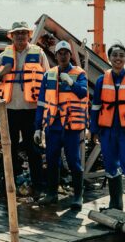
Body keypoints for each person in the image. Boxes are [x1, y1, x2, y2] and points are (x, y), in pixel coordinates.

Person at [0, 21, 50, 195]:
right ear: (12, 36)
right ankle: (9, 184)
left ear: (29, 35)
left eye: (24, 33)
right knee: (10, 147)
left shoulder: (39, 54)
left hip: (31, 110)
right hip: (9, 110)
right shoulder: (3, 56)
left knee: (33, 149)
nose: (21, 36)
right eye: (17, 34)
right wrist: (2, 73)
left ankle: (38, 185)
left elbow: (48, 81)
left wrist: (45, 110)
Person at [89, 41, 125, 217]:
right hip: (107, 131)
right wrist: (93, 130)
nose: (118, 58)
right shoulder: (101, 80)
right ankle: (115, 205)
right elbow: (95, 107)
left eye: (121, 55)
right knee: (110, 166)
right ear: (109, 57)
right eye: (114, 55)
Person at [35, 40, 88, 209]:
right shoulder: (48, 75)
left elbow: (83, 92)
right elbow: (42, 103)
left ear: (70, 55)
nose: (63, 55)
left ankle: (78, 196)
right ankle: (52, 194)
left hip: (71, 126)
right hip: (53, 125)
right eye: (60, 53)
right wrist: (38, 128)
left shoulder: (79, 73)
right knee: (52, 160)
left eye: (66, 53)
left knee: (74, 161)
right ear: (56, 55)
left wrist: (71, 83)